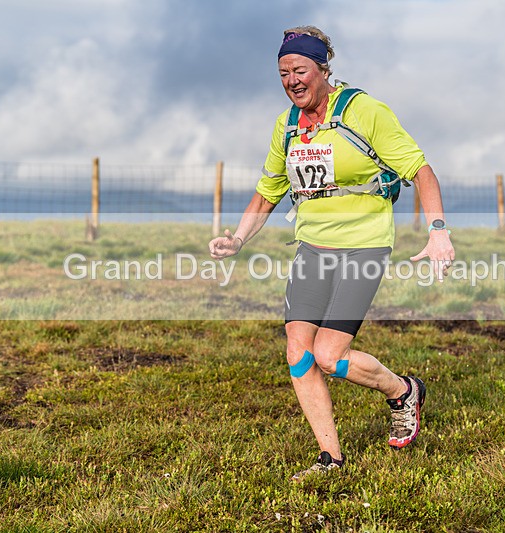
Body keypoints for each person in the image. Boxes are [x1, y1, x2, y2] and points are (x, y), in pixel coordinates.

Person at [208, 25, 455, 481]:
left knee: (329, 356)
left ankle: (403, 391)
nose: (291, 81)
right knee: (298, 353)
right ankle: (330, 459)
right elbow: (267, 195)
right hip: (313, 248)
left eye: (299, 70)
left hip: (363, 245)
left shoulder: (364, 110)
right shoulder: (287, 127)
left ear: (323, 69)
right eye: (283, 73)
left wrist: (438, 231)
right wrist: (238, 239)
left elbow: (420, 170)